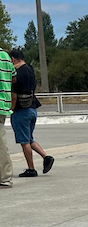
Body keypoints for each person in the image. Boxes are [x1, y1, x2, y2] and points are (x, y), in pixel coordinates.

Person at [9, 49, 54, 177]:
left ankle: (31, 169)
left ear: (13, 59)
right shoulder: (29, 68)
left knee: (24, 141)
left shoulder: (16, 74)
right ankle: (46, 157)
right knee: (28, 138)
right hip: (32, 108)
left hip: (21, 111)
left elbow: (14, 95)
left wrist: (11, 110)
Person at [0, 43, 13, 188]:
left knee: (0, 145)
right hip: (3, 104)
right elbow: (13, 77)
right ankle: (5, 177)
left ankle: (5, 178)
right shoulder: (5, 55)